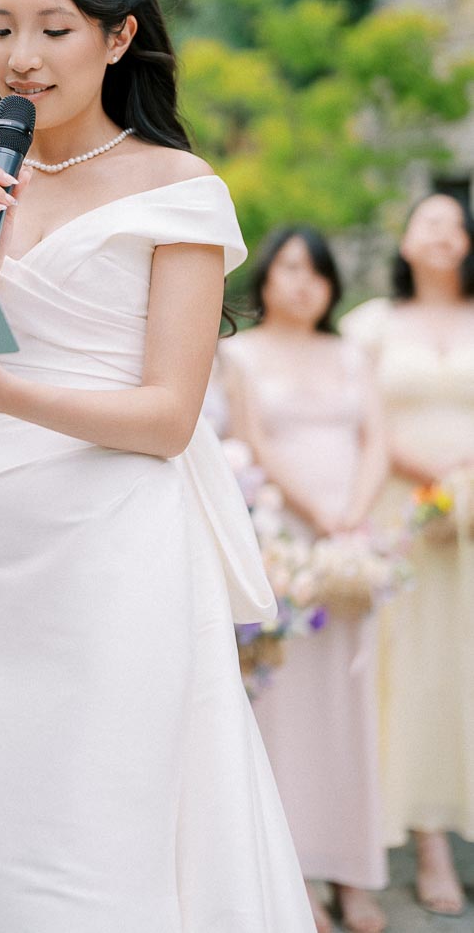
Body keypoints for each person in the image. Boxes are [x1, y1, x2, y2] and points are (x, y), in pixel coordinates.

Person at [0, 0, 315, 933]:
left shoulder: (179, 190)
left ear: (118, 37)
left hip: (116, 554)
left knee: (101, 832)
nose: (20, 57)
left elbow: (167, 419)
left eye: (53, 28)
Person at [217, 226, 389, 933]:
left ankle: (355, 873)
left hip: (351, 548)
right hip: (281, 540)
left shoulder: (350, 351)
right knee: (284, 712)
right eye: (289, 267)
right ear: (267, 278)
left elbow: (376, 438)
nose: (303, 282)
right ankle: (295, 879)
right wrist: (316, 510)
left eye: (316, 270)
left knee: (352, 709)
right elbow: (252, 441)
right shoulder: (240, 354)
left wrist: (353, 512)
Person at [341, 190, 474, 918]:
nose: (444, 234)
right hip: (406, 521)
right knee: (419, 673)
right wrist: (440, 480)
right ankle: (427, 841)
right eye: (429, 221)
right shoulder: (370, 327)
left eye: (457, 225)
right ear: (404, 238)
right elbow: (360, 423)